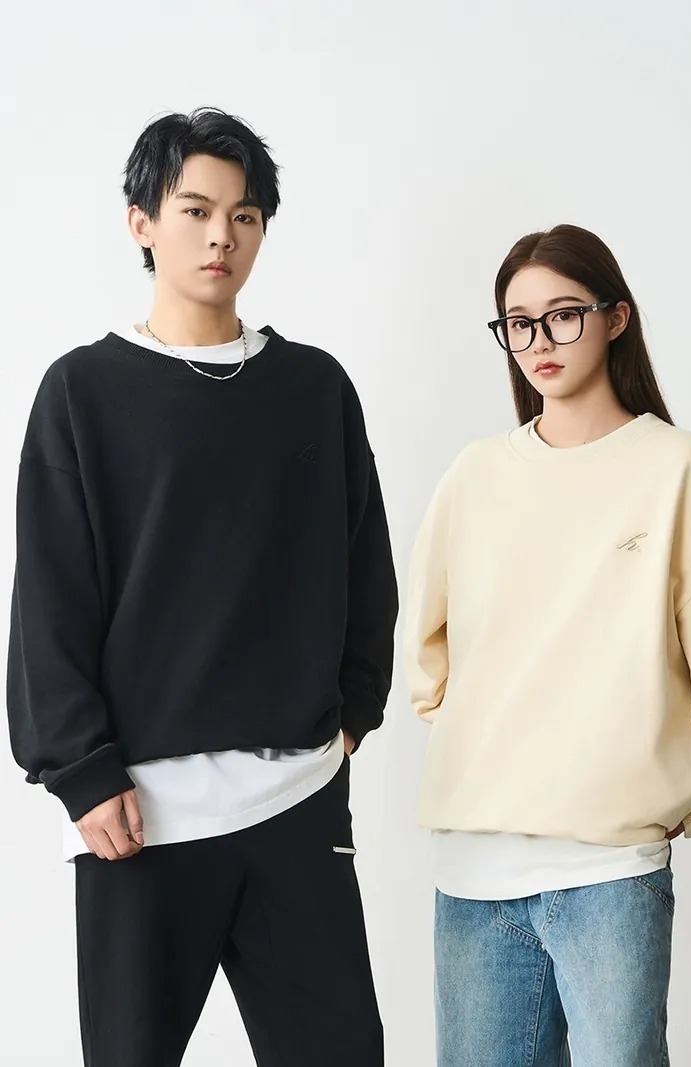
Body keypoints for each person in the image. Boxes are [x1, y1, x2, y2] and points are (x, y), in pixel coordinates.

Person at [7, 107, 397, 1067]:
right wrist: (81, 771)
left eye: (245, 215)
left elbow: (367, 568)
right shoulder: (83, 391)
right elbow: (50, 600)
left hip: (296, 798)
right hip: (138, 816)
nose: (222, 235)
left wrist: (352, 714)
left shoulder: (314, 388)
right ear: (141, 221)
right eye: (196, 210)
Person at [404, 223, 691, 1066]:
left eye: (563, 314)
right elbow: (429, 665)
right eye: (519, 323)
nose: (539, 341)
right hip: (472, 875)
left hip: (610, 875)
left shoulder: (679, 468)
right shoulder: (475, 476)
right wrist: (501, 744)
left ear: (616, 318)